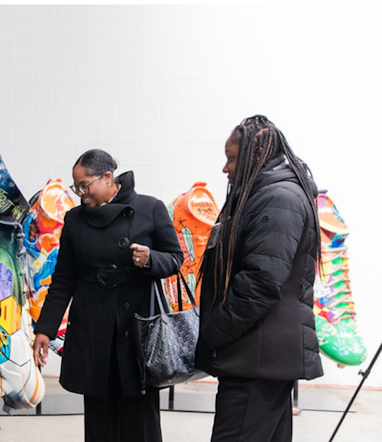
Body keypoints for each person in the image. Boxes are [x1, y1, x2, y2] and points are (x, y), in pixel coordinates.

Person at [32, 149, 182, 442]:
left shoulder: (150, 208)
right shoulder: (75, 220)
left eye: (85, 185)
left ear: (108, 178)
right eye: (76, 187)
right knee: (99, 418)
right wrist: (45, 329)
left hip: (138, 332)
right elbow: (63, 280)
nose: (80, 193)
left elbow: (175, 258)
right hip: (92, 328)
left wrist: (151, 259)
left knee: (140, 419)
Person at [196, 115, 324, 442]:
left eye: (232, 158)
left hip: (256, 356)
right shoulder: (269, 195)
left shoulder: (278, 198)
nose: (225, 168)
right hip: (262, 355)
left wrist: (213, 333)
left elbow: (261, 282)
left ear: (256, 154)